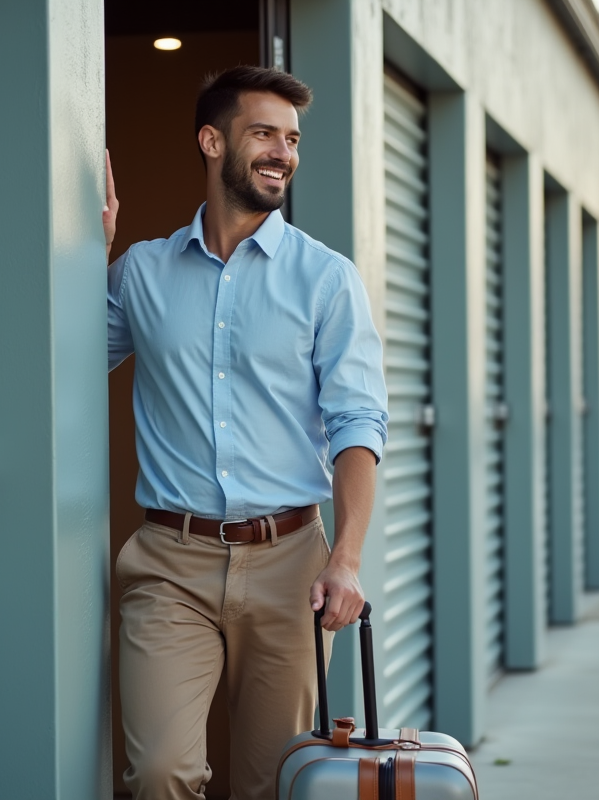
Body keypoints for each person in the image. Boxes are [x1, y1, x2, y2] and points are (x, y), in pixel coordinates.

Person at [104, 65, 388, 800]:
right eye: (264, 133)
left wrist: (347, 560)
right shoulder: (141, 273)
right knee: (161, 771)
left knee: (271, 782)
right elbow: (61, 370)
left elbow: (358, 422)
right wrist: (82, 257)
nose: (282, 153)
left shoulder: (326, 279)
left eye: (291, 139)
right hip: (170, 563)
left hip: (293, 565)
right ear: (210, 141)